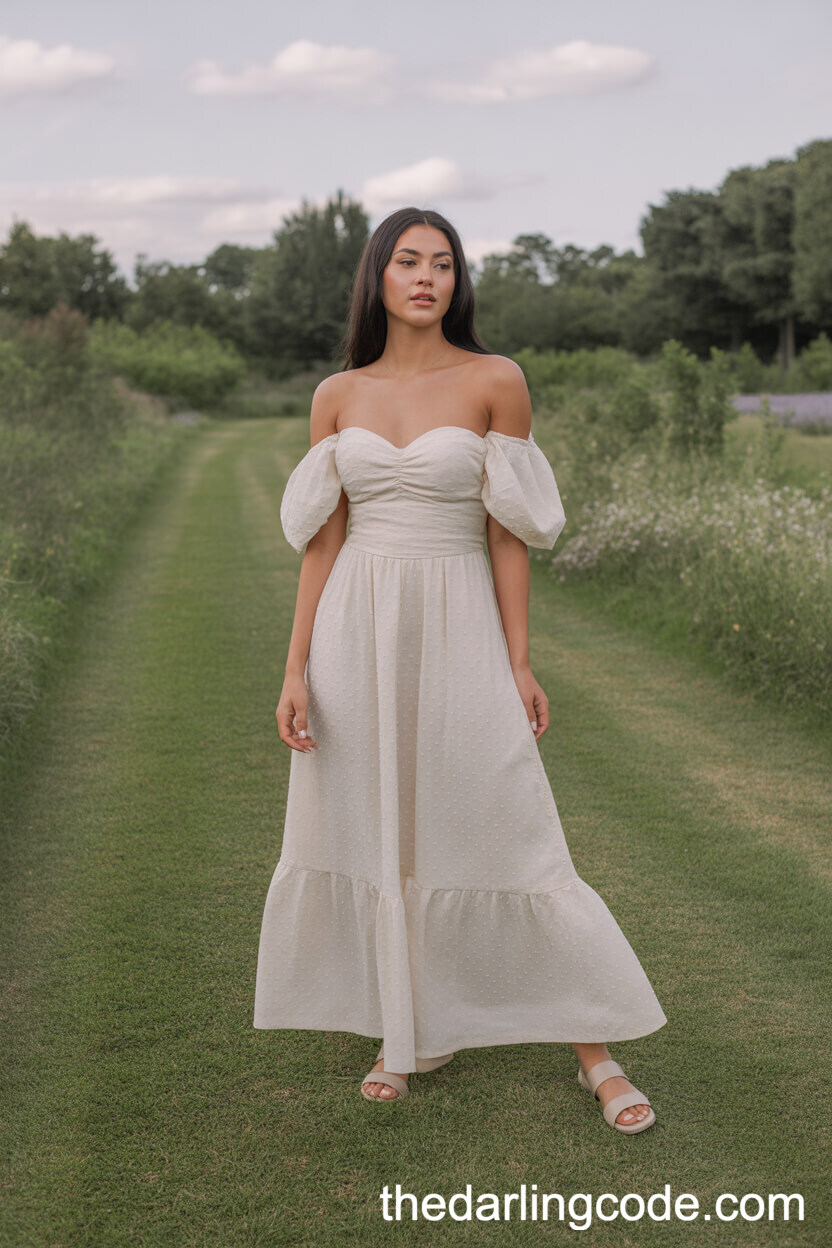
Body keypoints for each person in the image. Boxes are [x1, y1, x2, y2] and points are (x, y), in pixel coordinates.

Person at [253, 206, 667, 1134]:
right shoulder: (337, 395)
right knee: (381, 824)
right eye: (408, 261)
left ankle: (594, 1050)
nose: (427, 277)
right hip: (356, 627)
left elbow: (508, 534)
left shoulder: (496, 381)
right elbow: (322, 546)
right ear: (379, 276)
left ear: (457, 281)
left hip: (461, 621)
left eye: (443, 263)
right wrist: (295, 668)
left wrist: (519, 660)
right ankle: (406, 1034)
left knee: (509, 818)